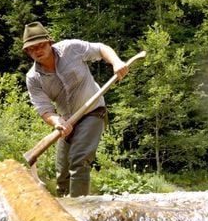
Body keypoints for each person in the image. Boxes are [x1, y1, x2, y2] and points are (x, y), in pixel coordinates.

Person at [22, 21, 128, 197]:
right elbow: (44, 109)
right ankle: (64, 212)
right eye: (32, 49)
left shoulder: (71, 48)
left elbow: (101, 49)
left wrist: (116, 62)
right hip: (67, 121)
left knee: (79, 160)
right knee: (61, 173)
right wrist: (57, 122)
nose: (38, 50)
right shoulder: (33, 78)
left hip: (93, 112)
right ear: (27, 52)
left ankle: (80, 211)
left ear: (49, 42)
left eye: (41, 45)